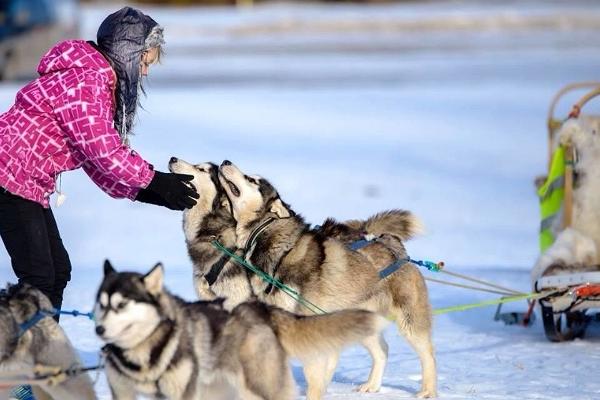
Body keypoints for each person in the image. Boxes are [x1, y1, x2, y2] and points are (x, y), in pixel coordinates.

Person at [0, 7, 199, 316]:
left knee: (57, 271)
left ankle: (45, 349)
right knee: (39, 277)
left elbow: (96, 161)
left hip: (24, 182)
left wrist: (147, 192)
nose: (144, 72)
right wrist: (156, 180)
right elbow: (105, 152)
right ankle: (30, 352)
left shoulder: (94, 80)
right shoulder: (85, 83)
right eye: (144, 62)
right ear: (127, 53)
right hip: (8, 176)